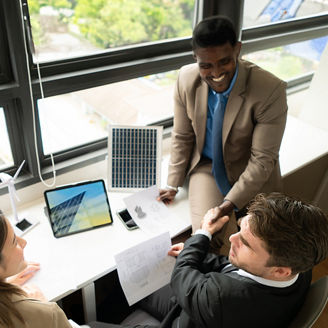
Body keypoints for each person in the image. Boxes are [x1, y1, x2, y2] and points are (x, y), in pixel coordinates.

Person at [158, 16, 288, 255]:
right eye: (206, 65)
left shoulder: (270, 90)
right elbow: (182, 136)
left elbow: (262, 160)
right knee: (211, 238)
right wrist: (173, 183)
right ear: (195, 58)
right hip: (207, 168)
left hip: (251, 170)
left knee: (265, 247)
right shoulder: (185, 79)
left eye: (224, 61)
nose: (216, 73)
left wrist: (227, 206)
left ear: (237, 49)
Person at [104, 192, 327, 328]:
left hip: (188, 319)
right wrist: (195, 254)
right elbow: (231, 267)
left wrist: (202, 234)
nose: (231, 237)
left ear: (280, 271)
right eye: (240, 229)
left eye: (246, 243)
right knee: (127, 283)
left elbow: (182, 275)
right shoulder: (301, 264)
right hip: (209, 312)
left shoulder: (222, 297)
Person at [0, 210, 72, 328]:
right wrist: (41, 308)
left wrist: (5, 281)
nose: (23, 242)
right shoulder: (48, 313)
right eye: (14, 241)